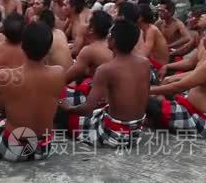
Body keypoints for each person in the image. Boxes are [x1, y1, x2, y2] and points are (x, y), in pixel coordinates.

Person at [0, 22, 64, 162]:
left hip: (12, 149)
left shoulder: (5, 76)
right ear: (48, 50)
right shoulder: (59, 73)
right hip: (44, 147)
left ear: (23, 45)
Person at [58, 20, 150, 148]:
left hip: (114, 135)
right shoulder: (145, 63)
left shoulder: (106, 69)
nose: (108, 37)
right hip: (135, 132)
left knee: (62, 114)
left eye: (110, 35)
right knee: (96, 107)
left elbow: (87, 108)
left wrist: (68, 108)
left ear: (113, 41)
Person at [147, 18, 206, 138]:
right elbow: (191, 70)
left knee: (146, 103)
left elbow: (179, 86)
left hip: (201, 121)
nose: (203, 40)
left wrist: (147, 91)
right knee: (163, 90)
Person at [63, 10, 114, 105]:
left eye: (86, 22)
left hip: (103, 102)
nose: (83, 24)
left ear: (91, 29)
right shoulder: (109, 44)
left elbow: (66, 78)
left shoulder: (89, 50)